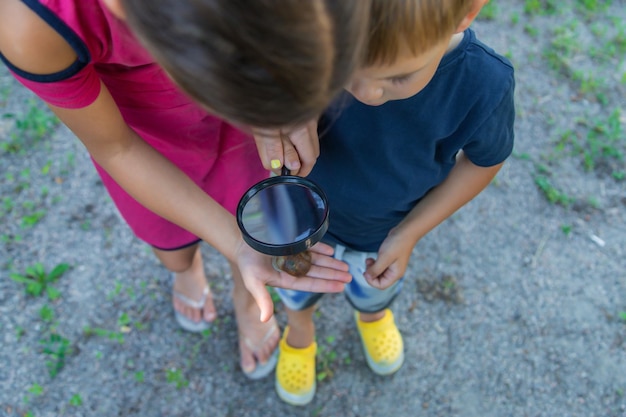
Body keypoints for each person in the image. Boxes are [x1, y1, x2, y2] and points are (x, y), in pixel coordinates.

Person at [0, 0, 370, 379]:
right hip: (141, 142)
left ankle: (245, 298)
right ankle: (185, 268)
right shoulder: (31, 24)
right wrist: (238, 242)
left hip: (236, 122)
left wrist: (286, 107)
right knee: (172, 246)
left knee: (259, 215)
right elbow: (116, 147)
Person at [274, 0, 515, 405]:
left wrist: (410, 233)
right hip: (299, 217)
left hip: (385, 232)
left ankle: (373, 315)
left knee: (375, 289)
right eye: (344, 65)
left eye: (399, 76)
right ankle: (298, 333)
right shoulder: (311, 32)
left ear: (466, 13)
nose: (366, 93)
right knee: (294, 288)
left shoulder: (483, 84)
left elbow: (484, 161)